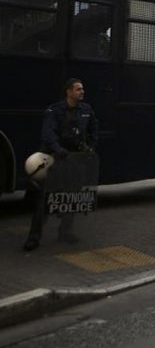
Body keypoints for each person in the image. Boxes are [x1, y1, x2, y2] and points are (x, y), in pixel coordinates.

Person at [23, 78, 99, 252]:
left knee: (71, 197)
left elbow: (94, 130)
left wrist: (90, 149)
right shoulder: (54, 110)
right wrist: (58, 150)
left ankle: (65, 232)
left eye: (83, 89)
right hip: (55, 160)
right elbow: (48, 134)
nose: (82, 92)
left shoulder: (87, 110)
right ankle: (34, 237)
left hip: (74, 161)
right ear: (69, 92)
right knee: (44, 200)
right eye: (78, 89)